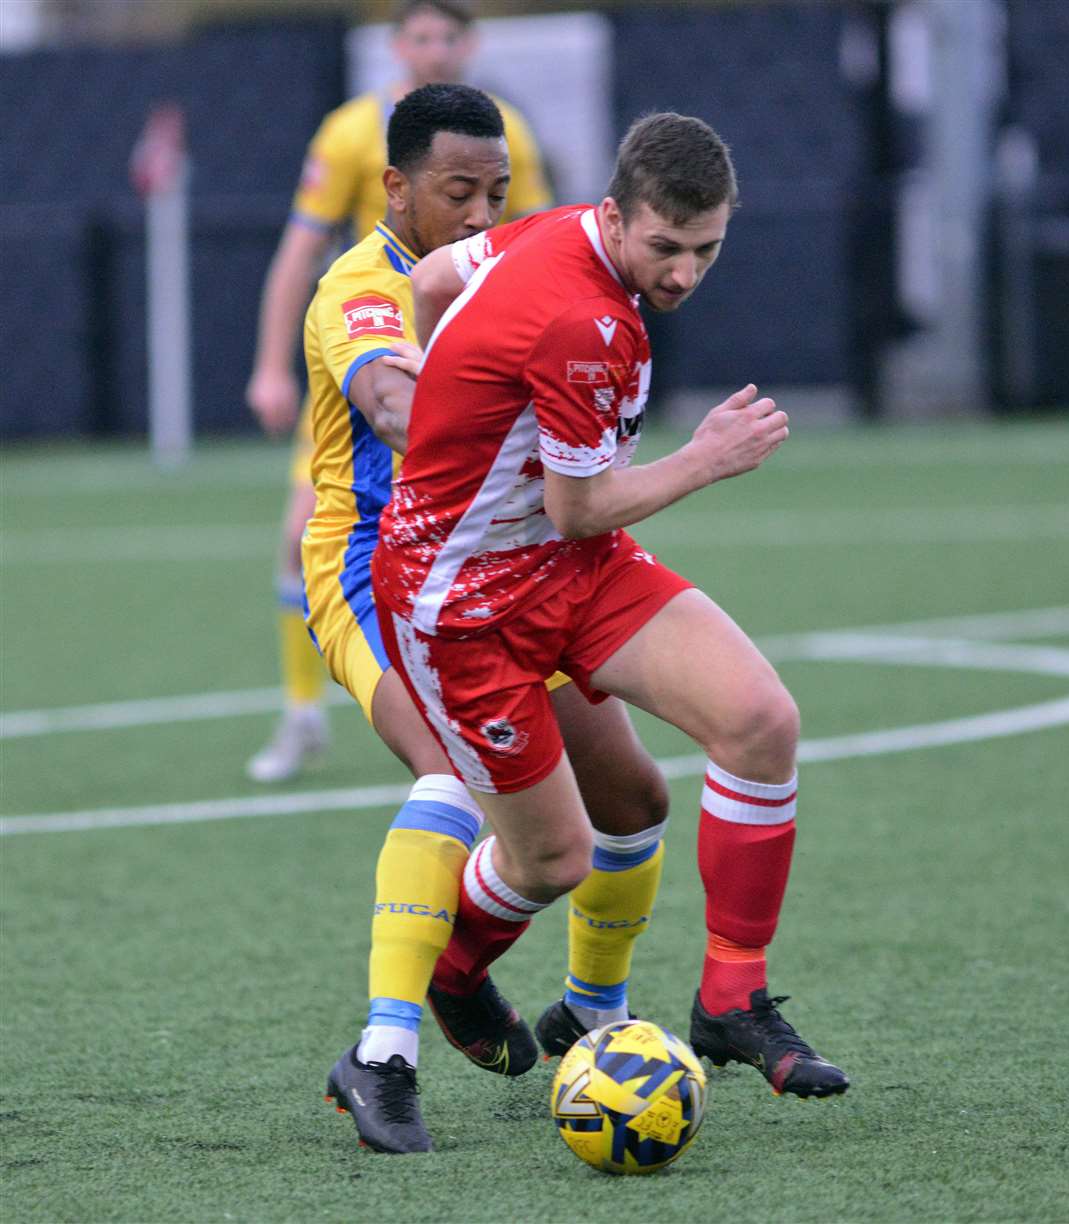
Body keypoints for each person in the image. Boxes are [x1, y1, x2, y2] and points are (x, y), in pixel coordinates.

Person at [372, 112, 851, 1115]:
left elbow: (431, 282)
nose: (682, 274)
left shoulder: (551, 230)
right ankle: (453, 971)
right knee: (554, 859)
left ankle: (733, 996)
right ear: (618, 217)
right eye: (665, 249)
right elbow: (579, 500)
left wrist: (459, 405)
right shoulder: (585, 321)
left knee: (760, 722)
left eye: (706, 249)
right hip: (462, 598)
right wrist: (706, 459)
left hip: (572, 568)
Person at [302, 84, 670, 1155]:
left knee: (634, 794)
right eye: (457, 192)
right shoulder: (362, 287)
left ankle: (593, 1016)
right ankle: (383, 1054)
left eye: (497, 192)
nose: (478, 213)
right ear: (398, 187)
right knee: (456, 779)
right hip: (383, 569)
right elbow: (392, 403)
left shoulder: (512, 263)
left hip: (511, 567)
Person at [245, 0, 550, 783]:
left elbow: (546, 248)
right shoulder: (350, 132)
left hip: (470, 356)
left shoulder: (501, 131)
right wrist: (271, 365)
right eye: (421, 36)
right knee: (306, 529)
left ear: (469, 44)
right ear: (398, 45)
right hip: (368, 355)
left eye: (450, 36)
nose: (436, 49)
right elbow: (299, 250)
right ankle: (302, 712)